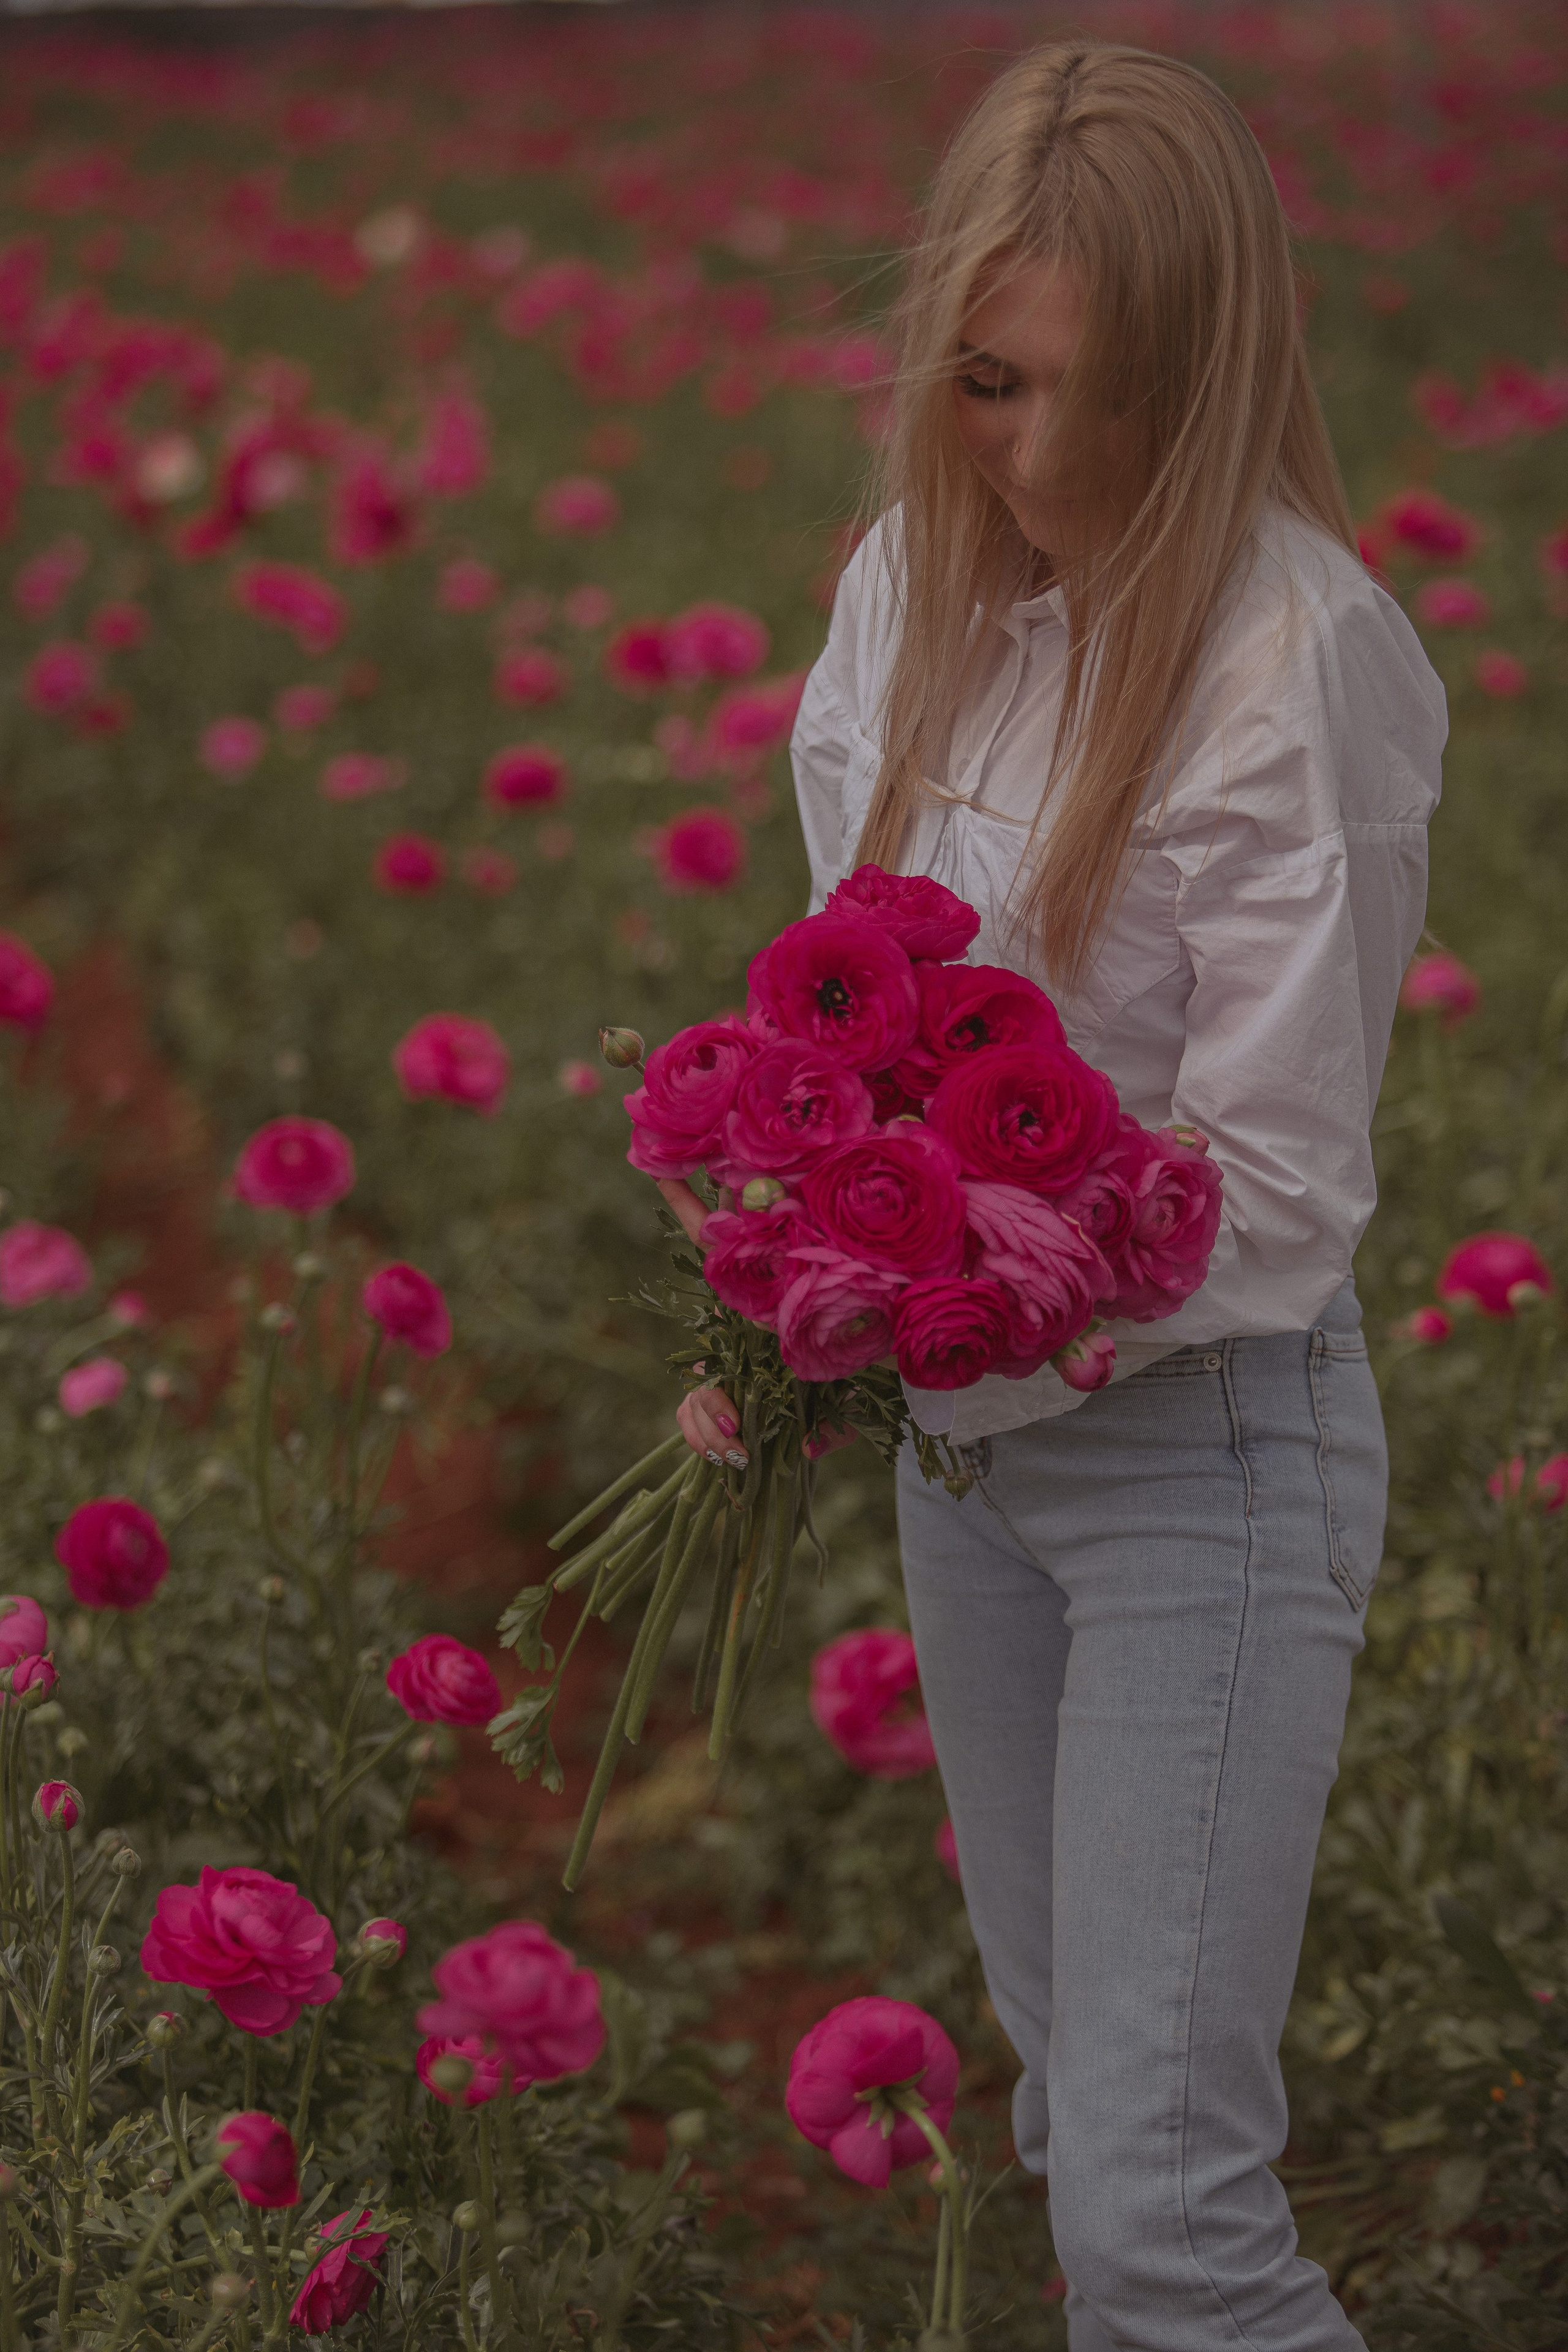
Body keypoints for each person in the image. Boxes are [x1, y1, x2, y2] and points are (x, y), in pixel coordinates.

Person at [656, 40, 1446, 2352]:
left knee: (1163, 2218)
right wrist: (815, 1250)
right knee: (1070, 2127)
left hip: (1198, 1457)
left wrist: (974, 1273)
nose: (1037, 455)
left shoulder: (1295, 662)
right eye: (987, 383)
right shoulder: (911, 584)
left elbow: (1280, 1193)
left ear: (1215, 379)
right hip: (966, 1462)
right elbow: (850, 1027)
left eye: (1098, 398)